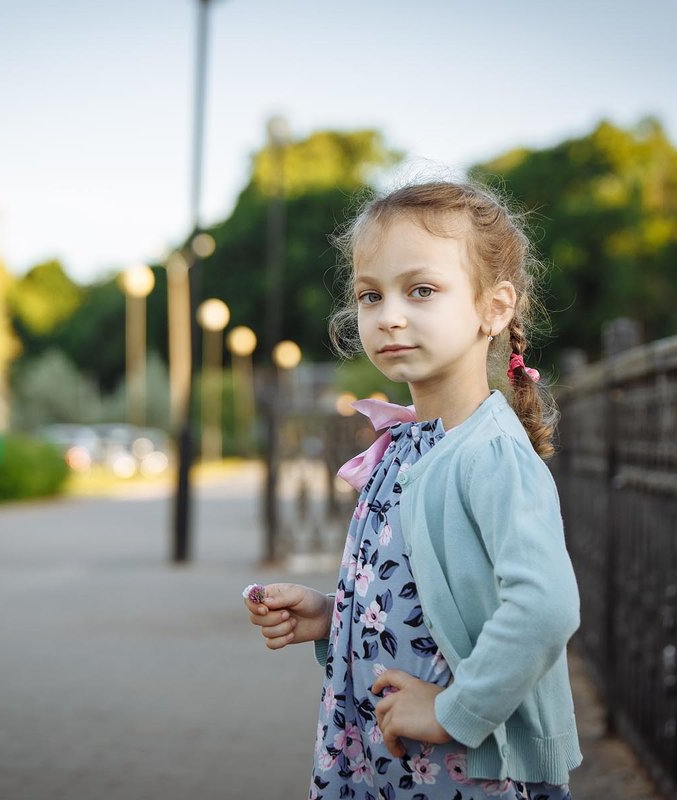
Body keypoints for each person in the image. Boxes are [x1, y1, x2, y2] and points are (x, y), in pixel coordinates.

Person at [244, 180, 582, 799]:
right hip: (385, 758)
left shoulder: (491, 454)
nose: (389, 315)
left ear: (495, 308)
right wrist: (329, 614)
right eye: (370, 295)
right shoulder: (405, 445)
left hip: (465, 768)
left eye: (421, 290)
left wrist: (454, 710)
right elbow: (420, 592)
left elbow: (546, 607)